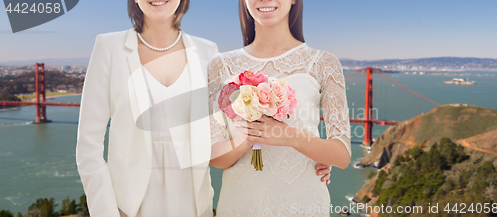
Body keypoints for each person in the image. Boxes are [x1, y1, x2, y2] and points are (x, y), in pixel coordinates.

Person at [76, 0, 331, 216]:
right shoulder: (108, 48)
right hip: (128, 207)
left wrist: (309, 156)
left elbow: (235, 130)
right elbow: (88, 148)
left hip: (195, 205)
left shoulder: (209, 54)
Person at [208, 0, 351, 216]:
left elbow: (342, 155)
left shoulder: (324, 63)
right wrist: (247, 138)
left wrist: (290, 136)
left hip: (303, 204)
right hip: (239, 205)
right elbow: (215, 157)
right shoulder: (219, 65)